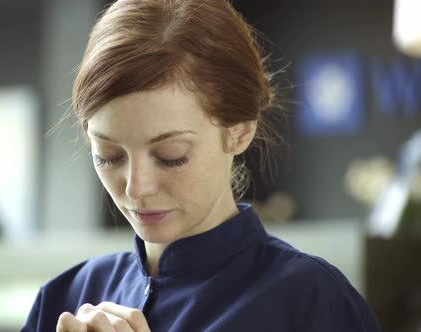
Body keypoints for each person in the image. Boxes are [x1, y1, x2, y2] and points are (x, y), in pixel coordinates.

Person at [22, 0, 380, 331]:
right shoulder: (63, 298)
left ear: (239, 131)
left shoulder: (312, 301)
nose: (136, 188)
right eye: (109, 156)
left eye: (171, 155)